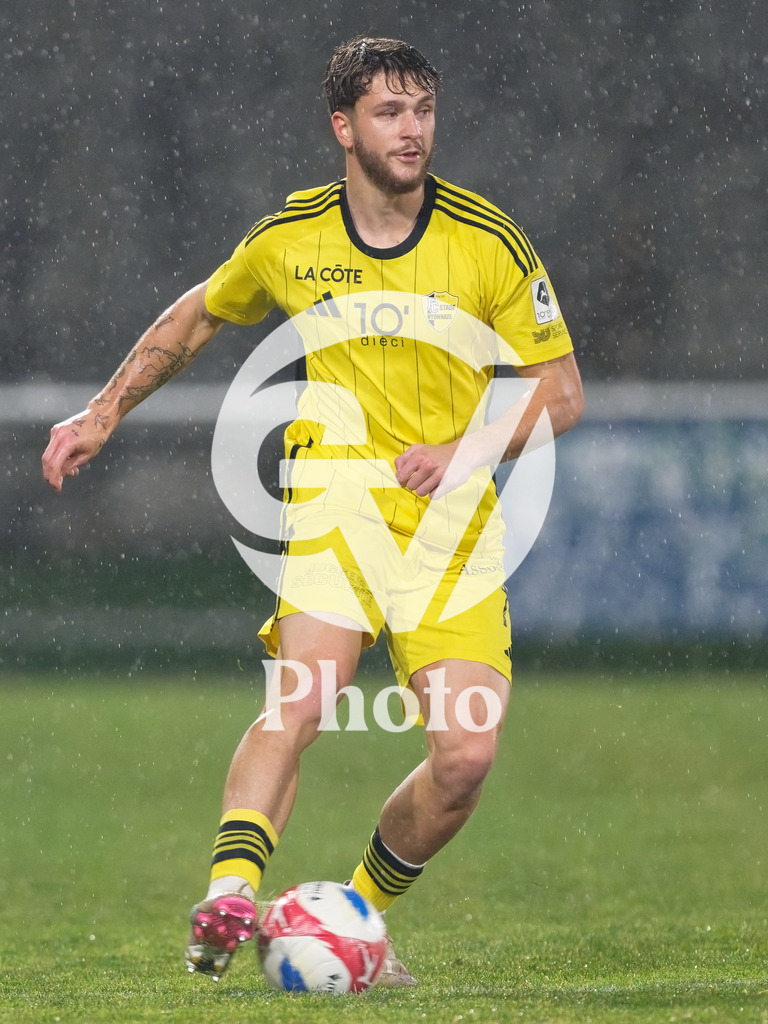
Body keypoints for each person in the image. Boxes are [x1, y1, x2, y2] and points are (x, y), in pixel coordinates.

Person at [42, 36, 583, 988]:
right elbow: (201, 313)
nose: (411, 131)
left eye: (422, 111)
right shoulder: (292, 238)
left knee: (464, 757)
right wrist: (103, 411)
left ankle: (357, 916)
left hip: (449, 523)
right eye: (388, 113)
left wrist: (468, 450)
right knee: (303, 697)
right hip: (335, 496)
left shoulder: (488, 240)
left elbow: (564, 392)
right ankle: (232, 891)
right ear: (344, 128)